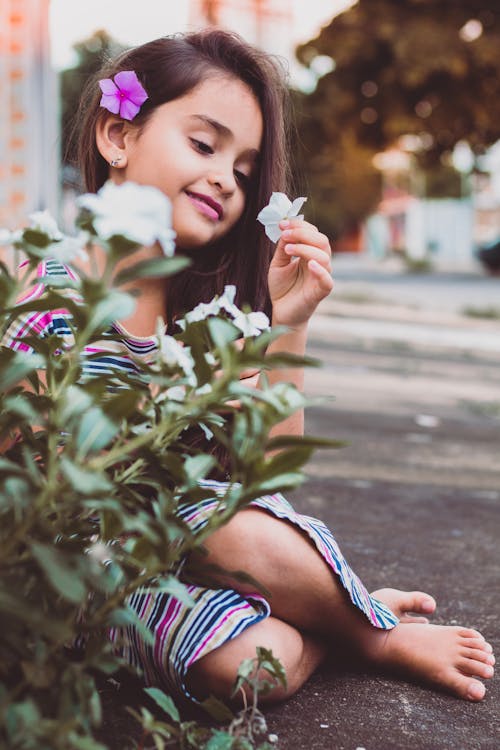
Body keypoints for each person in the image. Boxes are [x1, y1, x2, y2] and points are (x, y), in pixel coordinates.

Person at [5, 29, 495, 706]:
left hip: (206, 541)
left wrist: (286, 326)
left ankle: (371, 632)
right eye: (204, 145)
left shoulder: (210, 311)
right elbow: (28, 462)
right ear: (117, 136)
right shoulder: (40, 282)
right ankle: (349, 621)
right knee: (248, 671)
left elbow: (272, 473)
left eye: (242, 170)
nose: (223, 178)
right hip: (84, 569)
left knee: (231, 529)